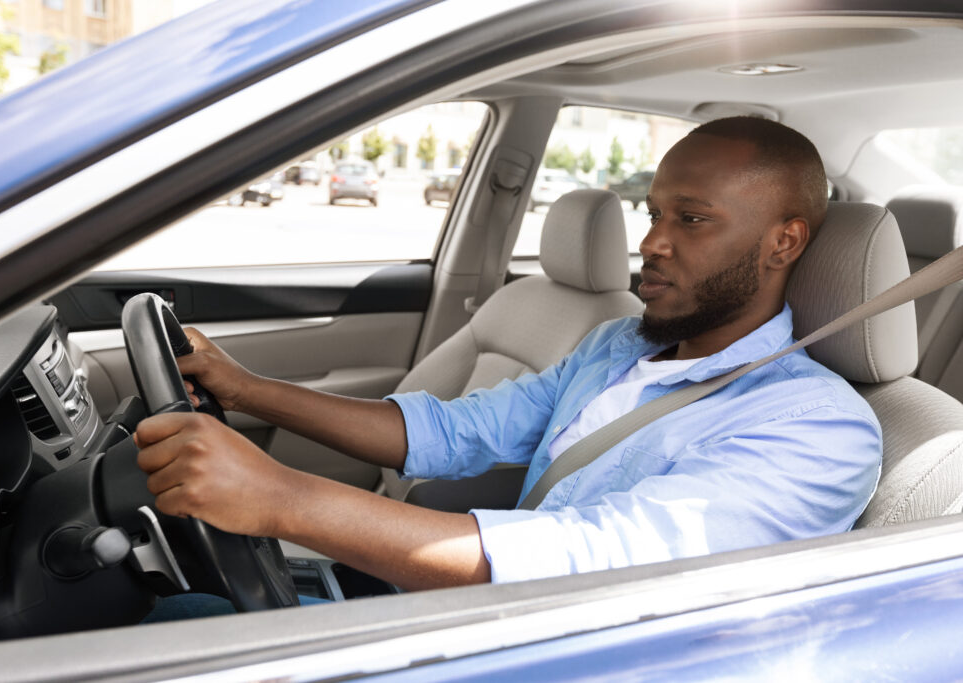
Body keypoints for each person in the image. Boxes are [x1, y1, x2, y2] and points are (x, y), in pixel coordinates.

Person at [134, 117, 880, 593]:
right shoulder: (616, 344)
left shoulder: (819, 427)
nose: (652, 241)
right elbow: (451, 433)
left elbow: (590, 560)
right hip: (487, 615)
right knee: (176, 603)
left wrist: (281, 498)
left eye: (692, 219)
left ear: (784, 241)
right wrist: (244, 387)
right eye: (653, 214)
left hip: (548, 645)